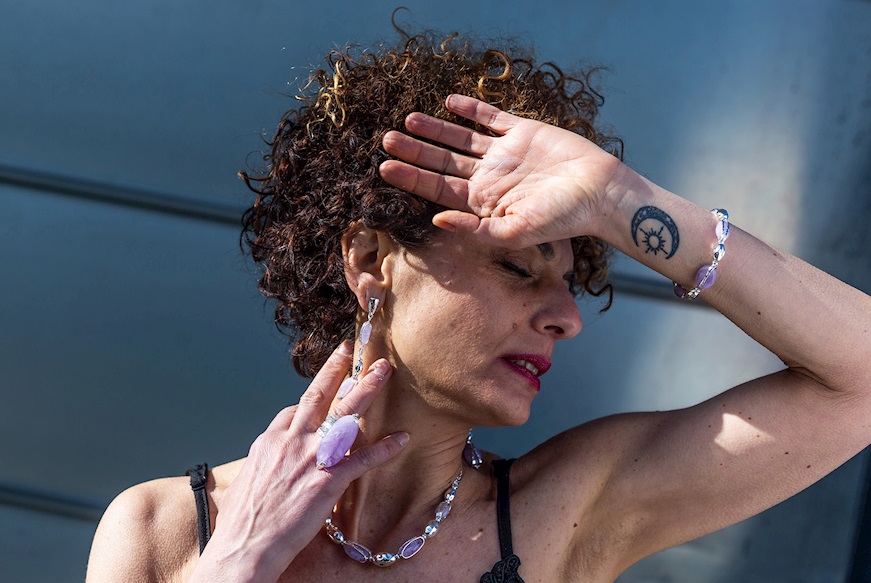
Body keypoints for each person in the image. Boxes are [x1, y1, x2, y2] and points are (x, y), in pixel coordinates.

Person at [85, 31, 871, 583]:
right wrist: (234, 566)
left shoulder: (569, 512)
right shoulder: (163, 531)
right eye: (517, 268)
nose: (566, 315)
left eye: (569, 277)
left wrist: (617, 200)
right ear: (368, 260)